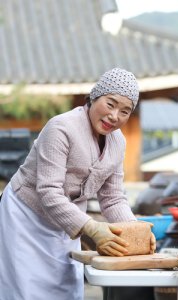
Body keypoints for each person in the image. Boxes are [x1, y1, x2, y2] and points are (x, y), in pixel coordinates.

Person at [0, 67, 156, 300]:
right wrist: (92, 228)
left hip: (68, 222)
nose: (115, 116)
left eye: (125, 111)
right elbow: (49, 192)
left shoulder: (118, 143)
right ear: (94, 97)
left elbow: (113, 198)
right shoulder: (61, 128)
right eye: (110, 104)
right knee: (26, 291)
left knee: (66, 289)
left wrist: (135, 231)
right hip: (26, 217)